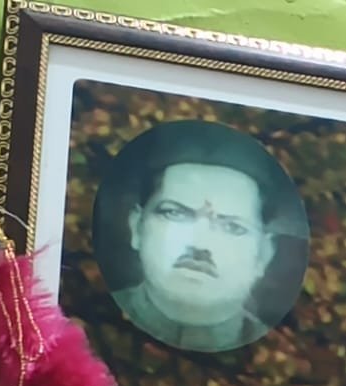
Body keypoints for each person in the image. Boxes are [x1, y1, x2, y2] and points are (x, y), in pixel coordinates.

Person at [95, 119, 307, 353]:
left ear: (264, 255)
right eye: (174, 213)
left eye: (233, 227)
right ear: (136, 227)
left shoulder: (276, 355)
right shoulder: (86, 319)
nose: (200, 244)